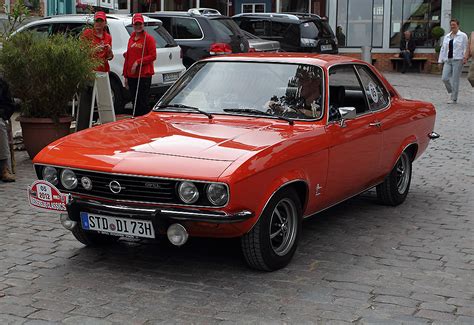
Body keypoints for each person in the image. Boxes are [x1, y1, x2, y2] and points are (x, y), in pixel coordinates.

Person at [123, 13, 157, 117]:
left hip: (143, 76)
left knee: (143, 102)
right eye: (136, 24)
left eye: (140, 24)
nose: (138, 26)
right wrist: (125, 75)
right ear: (133, 25)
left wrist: (137, 62)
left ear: (143, 24)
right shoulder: (131, 38)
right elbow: (128, 56)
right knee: (134, 101)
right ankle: (137, 125)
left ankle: (144, 125)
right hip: (132, 76)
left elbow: (153, 56)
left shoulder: (149, 38)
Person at [438, 19, 468, 104]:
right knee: (444, 78)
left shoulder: (463, 36)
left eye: (454, 24)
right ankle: (452, 91)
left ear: (458, 25)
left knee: (455, 79)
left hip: (458, 60)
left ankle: (454, 98)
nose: (452, 26)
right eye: (451, 25)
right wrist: (440, 61)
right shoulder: (447, 36)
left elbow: (466, 47)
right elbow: (443, 49)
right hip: (448, 60)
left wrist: (465, 57)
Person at [0, 77, 16, 182]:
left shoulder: (2, 83)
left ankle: (4, 168)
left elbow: (10, 105)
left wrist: (1, 113)